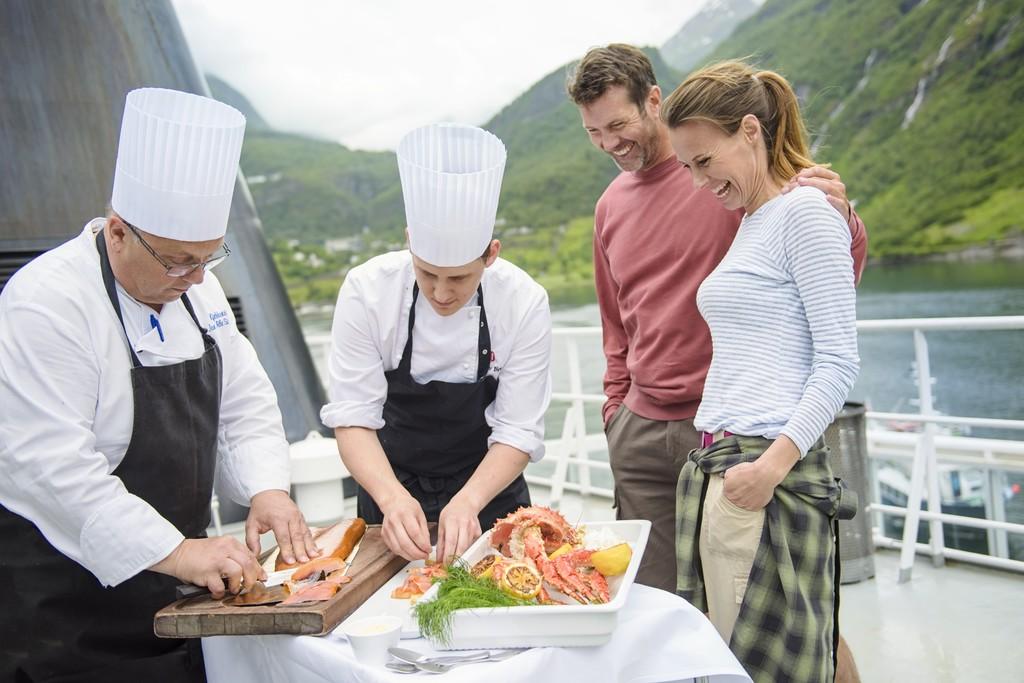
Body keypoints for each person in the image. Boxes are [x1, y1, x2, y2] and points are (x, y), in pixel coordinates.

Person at [0, 88, 319, 682]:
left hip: (178, 597)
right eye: (178, 261)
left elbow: (244, 403)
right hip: (68, 609)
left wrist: (267, 491)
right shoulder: (45, 303)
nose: (196, 278)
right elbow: (49, 467)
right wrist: (178, 551)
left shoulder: (197, 292)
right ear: (118, 232)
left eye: (208, 258)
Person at [566, 43, 866, 594]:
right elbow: (617, 323)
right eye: (593, 132)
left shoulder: (731, 174)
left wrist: (845, 218)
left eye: (618, 123)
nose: (609, 143)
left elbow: (827, 287)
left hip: (730, 433)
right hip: (640, 429)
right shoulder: (609, 205)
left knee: (767, 608)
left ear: (653, 100)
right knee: (657, 603)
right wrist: (615, 411)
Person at [664, 60, 860, 682]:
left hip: (763, 473)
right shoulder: (753, 221)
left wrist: (769, 468)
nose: (698, 182)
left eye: (703, 161)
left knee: (762, 669)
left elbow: (837, 360)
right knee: (728, 661)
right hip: (725, 468)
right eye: (687, 167)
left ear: (750, 130)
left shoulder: (803, 214)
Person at [321, 123, 552, 564]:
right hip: (388, 483)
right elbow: (353, 416)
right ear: (410, 244)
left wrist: (469, 502)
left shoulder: (523, 301)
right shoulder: (367, 291)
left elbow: (518, 430)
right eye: (427, 273)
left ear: (491, 254)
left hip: (489, 486)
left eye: (460, 278)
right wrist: (390, 498)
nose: (441, 293)